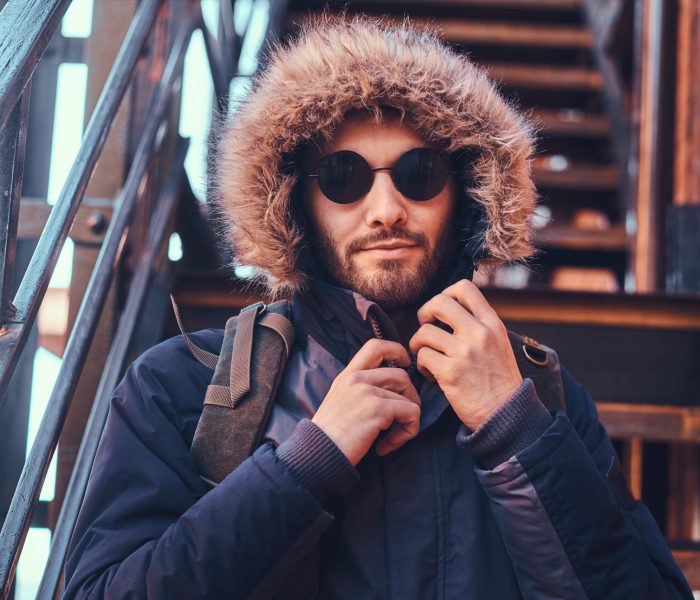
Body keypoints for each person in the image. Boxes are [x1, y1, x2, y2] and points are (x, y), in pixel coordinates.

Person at [64, 16, 692, 599]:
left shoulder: (541, 402)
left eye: (419, 174)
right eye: (344, 177)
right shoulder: (183, 385)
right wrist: (309, 462)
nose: (386, 208)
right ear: (295, 203)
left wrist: (516, 433)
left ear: (466, 194)